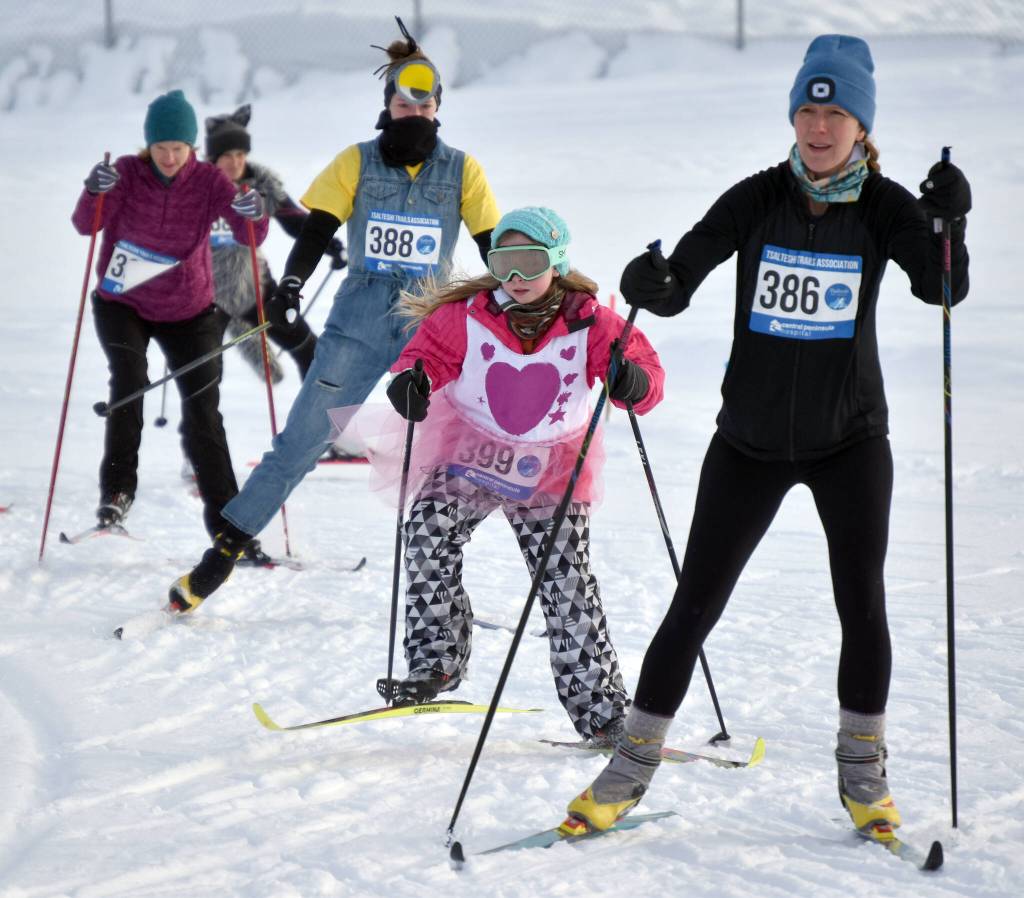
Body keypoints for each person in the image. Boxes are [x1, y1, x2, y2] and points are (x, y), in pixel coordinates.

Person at [564, 35, 971, 834]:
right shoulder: (756, 197)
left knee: (862, 603)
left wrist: (950, 221)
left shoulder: (886, 207)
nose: (819, 128)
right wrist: (654, 281)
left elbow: (942, 287)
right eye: (807, 112)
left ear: (861, 126)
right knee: (693, 605)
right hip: (747, 442)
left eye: (836, 114)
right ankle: (627, 770)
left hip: (851, 440)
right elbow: (680, 281)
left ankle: (864, 780)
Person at [167, 20, 500, 611]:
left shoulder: (462, 170)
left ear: (438, 108)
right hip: (361, 317)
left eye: (424, 105)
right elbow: (317, 229)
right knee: (301, 440)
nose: (414, 113)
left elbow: (493, 245)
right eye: (403, 104)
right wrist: (291, 285)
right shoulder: (357, 162)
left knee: (471, 444)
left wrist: (519, 301)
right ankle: (223, 553)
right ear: (388, 105)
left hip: (428, 322)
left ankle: (457, 589)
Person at [381, 206, 665, 741]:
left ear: (556, 262)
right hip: (473, 450)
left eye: (530, 262)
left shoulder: (591, 322)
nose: (516, 276)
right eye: (503, 263)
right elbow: (426, 356)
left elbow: (646, 376)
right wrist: (411, 381)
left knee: (564, 576)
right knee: (426, 530)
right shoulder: (468, 314)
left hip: (551, 464)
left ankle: (602, 710)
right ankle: (435, 662)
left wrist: (633, 382)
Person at [72, 89, 269, 538]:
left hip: (188, 308)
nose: (169, 157)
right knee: (128, 384)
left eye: (178, 147)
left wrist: (254, 213)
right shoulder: (126, 172)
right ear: (148, 144)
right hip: (122, 303)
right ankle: (116, 496)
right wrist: (93, 190)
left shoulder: (209, 181)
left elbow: (250, 235)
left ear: (191, 146)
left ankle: (229, 525)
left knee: (204, 411)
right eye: (160, 147)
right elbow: (87, 224)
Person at [204, 104, 347, 383]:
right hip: (206, 293)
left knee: (310, 352)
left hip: (253, 286)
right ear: (212, 157)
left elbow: (296, 221)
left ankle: (312, 411)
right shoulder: (197, 187)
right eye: (227, 156)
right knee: (206, 376)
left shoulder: (260, 185)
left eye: (240, 155)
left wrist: (329, 244)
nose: (235, 162)